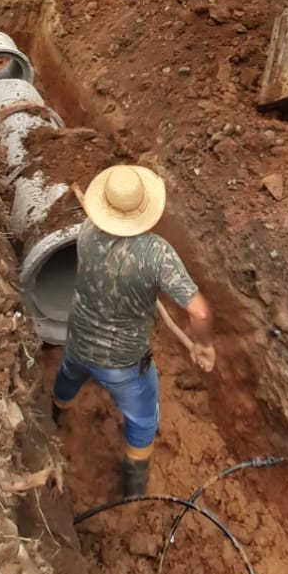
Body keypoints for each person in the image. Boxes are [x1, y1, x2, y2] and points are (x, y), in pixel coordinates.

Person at [52, 164, 215, 498]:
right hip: (122, 362)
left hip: (78, 340)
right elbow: (199, 312)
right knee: (142, 419)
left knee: (68, 375)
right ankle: (134, 489)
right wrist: (204, 345)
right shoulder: (156, 255)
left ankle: (54, 419)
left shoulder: (85, 230)